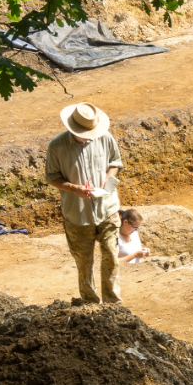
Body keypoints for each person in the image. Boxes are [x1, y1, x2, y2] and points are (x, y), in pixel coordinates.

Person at [46, 102, 124, 305]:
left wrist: (108, 179)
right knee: (84, 263)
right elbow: (52, 177)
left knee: (112, 258)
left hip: (107, 210)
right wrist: (74, 189)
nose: (90, 137)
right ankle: (90, 305)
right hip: (78, 214)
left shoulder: (105, 137)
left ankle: (113, 304)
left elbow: (116, 162)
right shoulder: (57, 146)